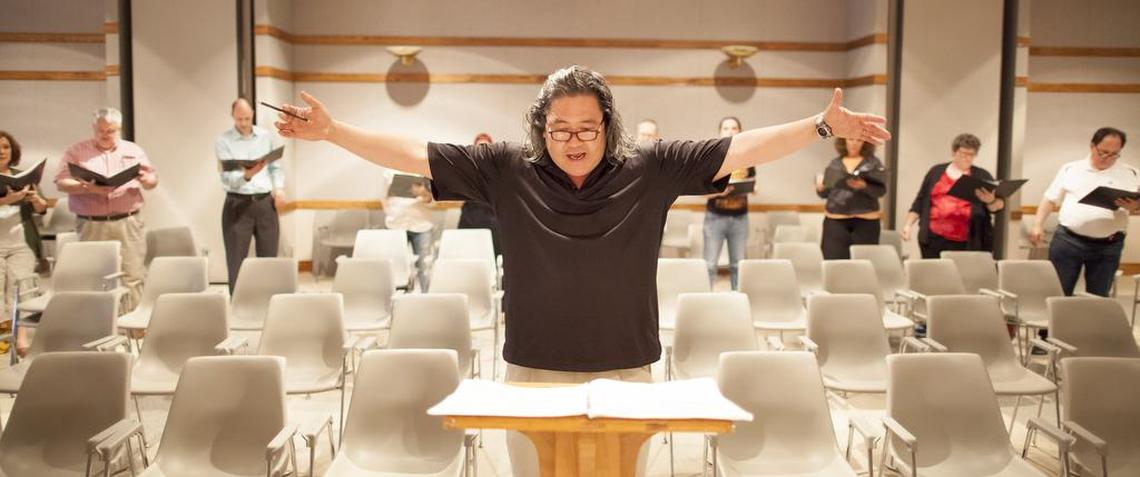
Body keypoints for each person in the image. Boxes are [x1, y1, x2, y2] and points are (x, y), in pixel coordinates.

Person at [274, 65, 888, 473]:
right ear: (542, 128)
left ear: (607, 128)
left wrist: (819, 126)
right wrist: (332, 133)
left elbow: (742, 147)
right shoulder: (506, 167)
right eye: (560, 128)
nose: (573, 140)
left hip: (626, 362)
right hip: (533, 364)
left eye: (587, 128)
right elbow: (413, 152)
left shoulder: (651, 166)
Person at [54, 107, 158, 306]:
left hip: (128, 221)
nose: (105, 135)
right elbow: (61, 183)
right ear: (94, 128)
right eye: (100, 130)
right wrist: (87, 188)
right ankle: (99, 326)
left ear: (119, 129)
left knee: (132, 275)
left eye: (111, 131)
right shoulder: (76, 151)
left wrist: (147, 180)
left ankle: (133, 328)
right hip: (92, 223)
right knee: (94, 275)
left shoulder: (133, 150)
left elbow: (153, 179)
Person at [1030, 127, 1134, 296]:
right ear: (1092, 146)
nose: (1107, 158)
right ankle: (1060, 323)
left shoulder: (1131, 173)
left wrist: (1134, 207)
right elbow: (1050, 199)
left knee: (1098, 296)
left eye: (1114, 154)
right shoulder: (1071, 169)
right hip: (1068, 240)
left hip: (1109, 244)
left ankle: (1092, 324)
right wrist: (1037, 225)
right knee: (1059, 292)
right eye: (1103, 152)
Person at [217, 98, 284, 291]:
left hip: (264, 202)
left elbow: (275, 167)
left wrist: (279, 188)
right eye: (239, 119)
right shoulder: (223, 141)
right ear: (233, 116)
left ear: (252, 114)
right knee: (236, 259)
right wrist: (247, 175)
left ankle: (268, 301)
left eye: (247, 118)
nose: (244, 123)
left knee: (269, 258)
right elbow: (226, 177)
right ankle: (237, 305)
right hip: (237, 203)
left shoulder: (265, 136)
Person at [901, 133, 1004, 258]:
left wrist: (991, 201)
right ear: (954, 152)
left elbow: (998, 206)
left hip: (969, 241)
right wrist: (908, 225)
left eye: (971, 154)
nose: (966, 158)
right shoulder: (936, 172)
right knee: (936, 274)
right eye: (963, 153)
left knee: (966, 275)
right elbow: (919, 202)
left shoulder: (982, 175)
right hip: (934, 238)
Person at [0, 131, 48, 355]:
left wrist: (36, 199)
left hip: (21, 245)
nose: (1, 151)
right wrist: (6, 201)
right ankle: (2, 342)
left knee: (21, 289)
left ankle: (20, 339)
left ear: (13, 151)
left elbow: (42, 209)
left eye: (6, 147)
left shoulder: (24, 177)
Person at [701, 116, 753, 289]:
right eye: (726, 128)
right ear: (719, 132)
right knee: (709, 264)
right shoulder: (711, 157)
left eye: (734, 128)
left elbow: (751, 181)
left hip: (740, 218)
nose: (730, 131)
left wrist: (749, 187)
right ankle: (706, 301)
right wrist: (718, 192)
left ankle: (737, 302)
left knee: (738, 265)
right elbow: (702, 193)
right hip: (715, 218)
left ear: (740, 131)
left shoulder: (747, 157)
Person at [816, 137, 886, 259]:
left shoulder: (873, 163)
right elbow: (825, 194)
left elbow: (881, 191)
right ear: (844, 141)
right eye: (850, 139)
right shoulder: (835, 163)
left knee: (863, 262)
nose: (854, 143)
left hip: (866, 220)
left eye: (859, 140)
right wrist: (820, 188)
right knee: (833, 260)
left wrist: (864, 186)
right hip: (836, 219)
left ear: (865, 143)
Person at [384, 174, 434, 290]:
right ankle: (399, 298)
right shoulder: (388, 171)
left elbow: (433, 202)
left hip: (422, 225)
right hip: (396, 224)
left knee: (423, 264)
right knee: (396, 264)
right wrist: (391, 212)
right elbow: (384, 197)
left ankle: (426, 295)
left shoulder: (424, 171)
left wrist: (425, 195)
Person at [456, 133, 502, 256]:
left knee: (492, 259)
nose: (482, 151)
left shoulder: (500, 171)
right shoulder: (465, 170)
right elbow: (457, 196)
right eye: (479, 147)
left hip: (493, 224)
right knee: (466, 257)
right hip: (469, 222)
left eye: (486, 147)